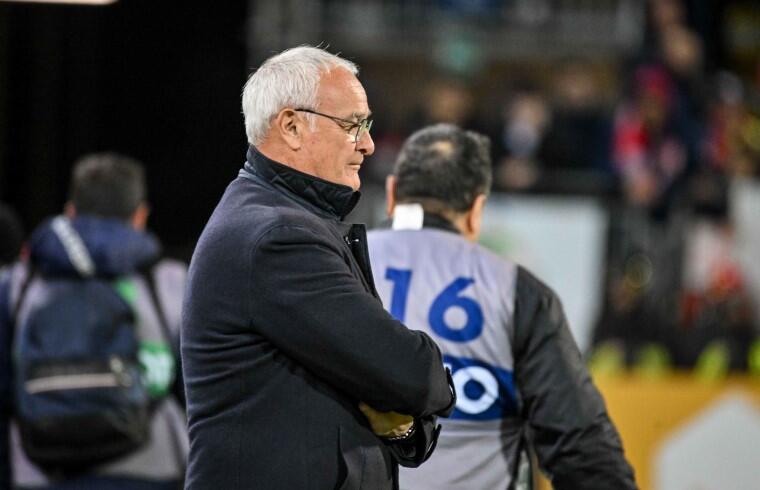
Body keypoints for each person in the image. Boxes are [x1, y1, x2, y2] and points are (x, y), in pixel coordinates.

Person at [181, 46, 455, 490]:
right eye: (353, 125)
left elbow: (389, 394)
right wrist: (420, 391)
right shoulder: (276, 237)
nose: (367, 144)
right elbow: (412, 375)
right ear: (291, 126)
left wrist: (405, 424)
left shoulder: (290, 222)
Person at [367, 124, 637, 490]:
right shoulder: (517, 292)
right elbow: (580, 448)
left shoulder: (335, 265)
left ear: (392, 192)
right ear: (477, 208)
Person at [0, 153, 188, 490]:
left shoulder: (16, 285)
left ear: (70, 212)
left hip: (39, 470)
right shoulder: (172, 283)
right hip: (149, 470)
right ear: (140, 216)